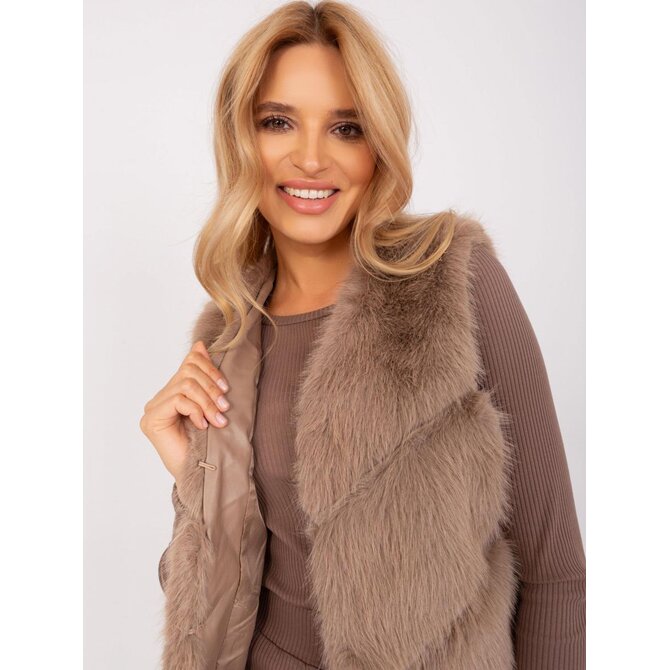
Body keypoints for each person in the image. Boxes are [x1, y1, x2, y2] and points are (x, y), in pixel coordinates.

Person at [139, 2, 586, 668]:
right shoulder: (229, 333)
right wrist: (189, 471)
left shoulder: (450, 279)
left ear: (378, 146)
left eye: (346, 128)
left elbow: (555, 570)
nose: (310, 158)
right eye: (278, 121)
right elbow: (210, 598)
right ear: (241, 139)